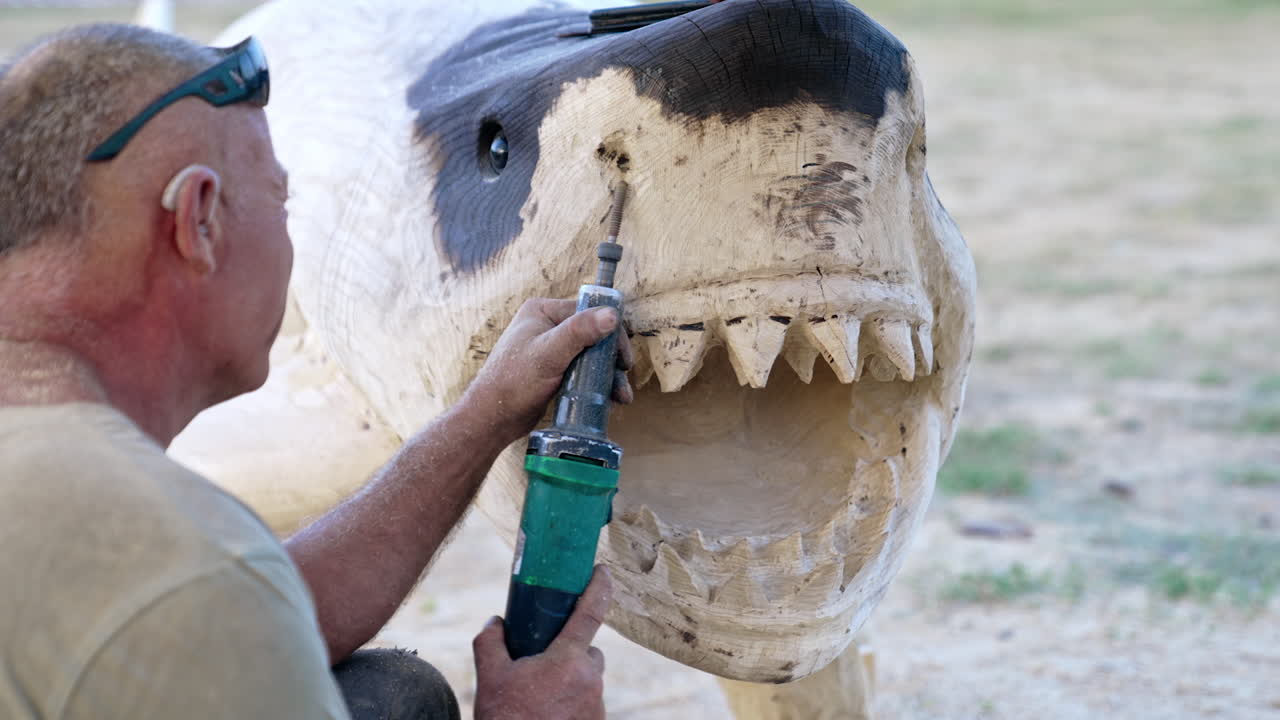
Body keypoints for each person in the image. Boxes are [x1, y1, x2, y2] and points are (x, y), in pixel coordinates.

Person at [0, 23, 633, 720]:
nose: (287, 231)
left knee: (392, 699)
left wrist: (486, 414)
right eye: (282, 201)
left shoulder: (93, 524)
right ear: (199, 221)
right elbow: (209, 598)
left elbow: (248, 613)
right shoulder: (179, 565)